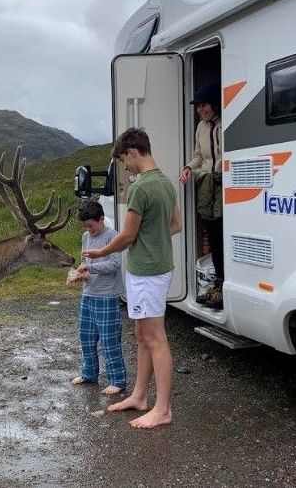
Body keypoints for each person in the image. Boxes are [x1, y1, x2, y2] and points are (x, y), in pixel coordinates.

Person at [83, 127, 182, 429]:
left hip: (148, 272)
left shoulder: (141, 188)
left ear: (132, 152)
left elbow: (126, 236)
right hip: (152, 268)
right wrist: (151, 237)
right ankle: (140, 396)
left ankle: (162, 408)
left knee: (155, 338)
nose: (124, 167)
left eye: (123, 161)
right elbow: (175, 225)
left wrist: (100, 253)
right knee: (142, 336)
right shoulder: (166, 183)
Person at [69, 200, 126, 395]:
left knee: (109, 340)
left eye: (91, 225)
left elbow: (115, 264)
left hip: (107, 296)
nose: (88, 229)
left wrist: (90, 268)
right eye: (85, 226)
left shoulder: (113, 236)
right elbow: (85, 262)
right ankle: (89, 373)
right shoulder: (86, 237)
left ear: (101, 219)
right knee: (86, 337)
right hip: (88, 293)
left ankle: (117, 380)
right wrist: (82, 275)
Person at [178, 82, 224, 310]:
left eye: (203, 105)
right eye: (198, 107)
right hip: (207, 184)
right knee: (213, 231)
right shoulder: (201, 127)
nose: (199, 110)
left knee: (225, 231)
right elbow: (198, 156)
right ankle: (218, 284)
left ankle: (224, 284)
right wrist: (188, 168)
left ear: (215, 104)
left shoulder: (225, 123)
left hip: (225, 183)